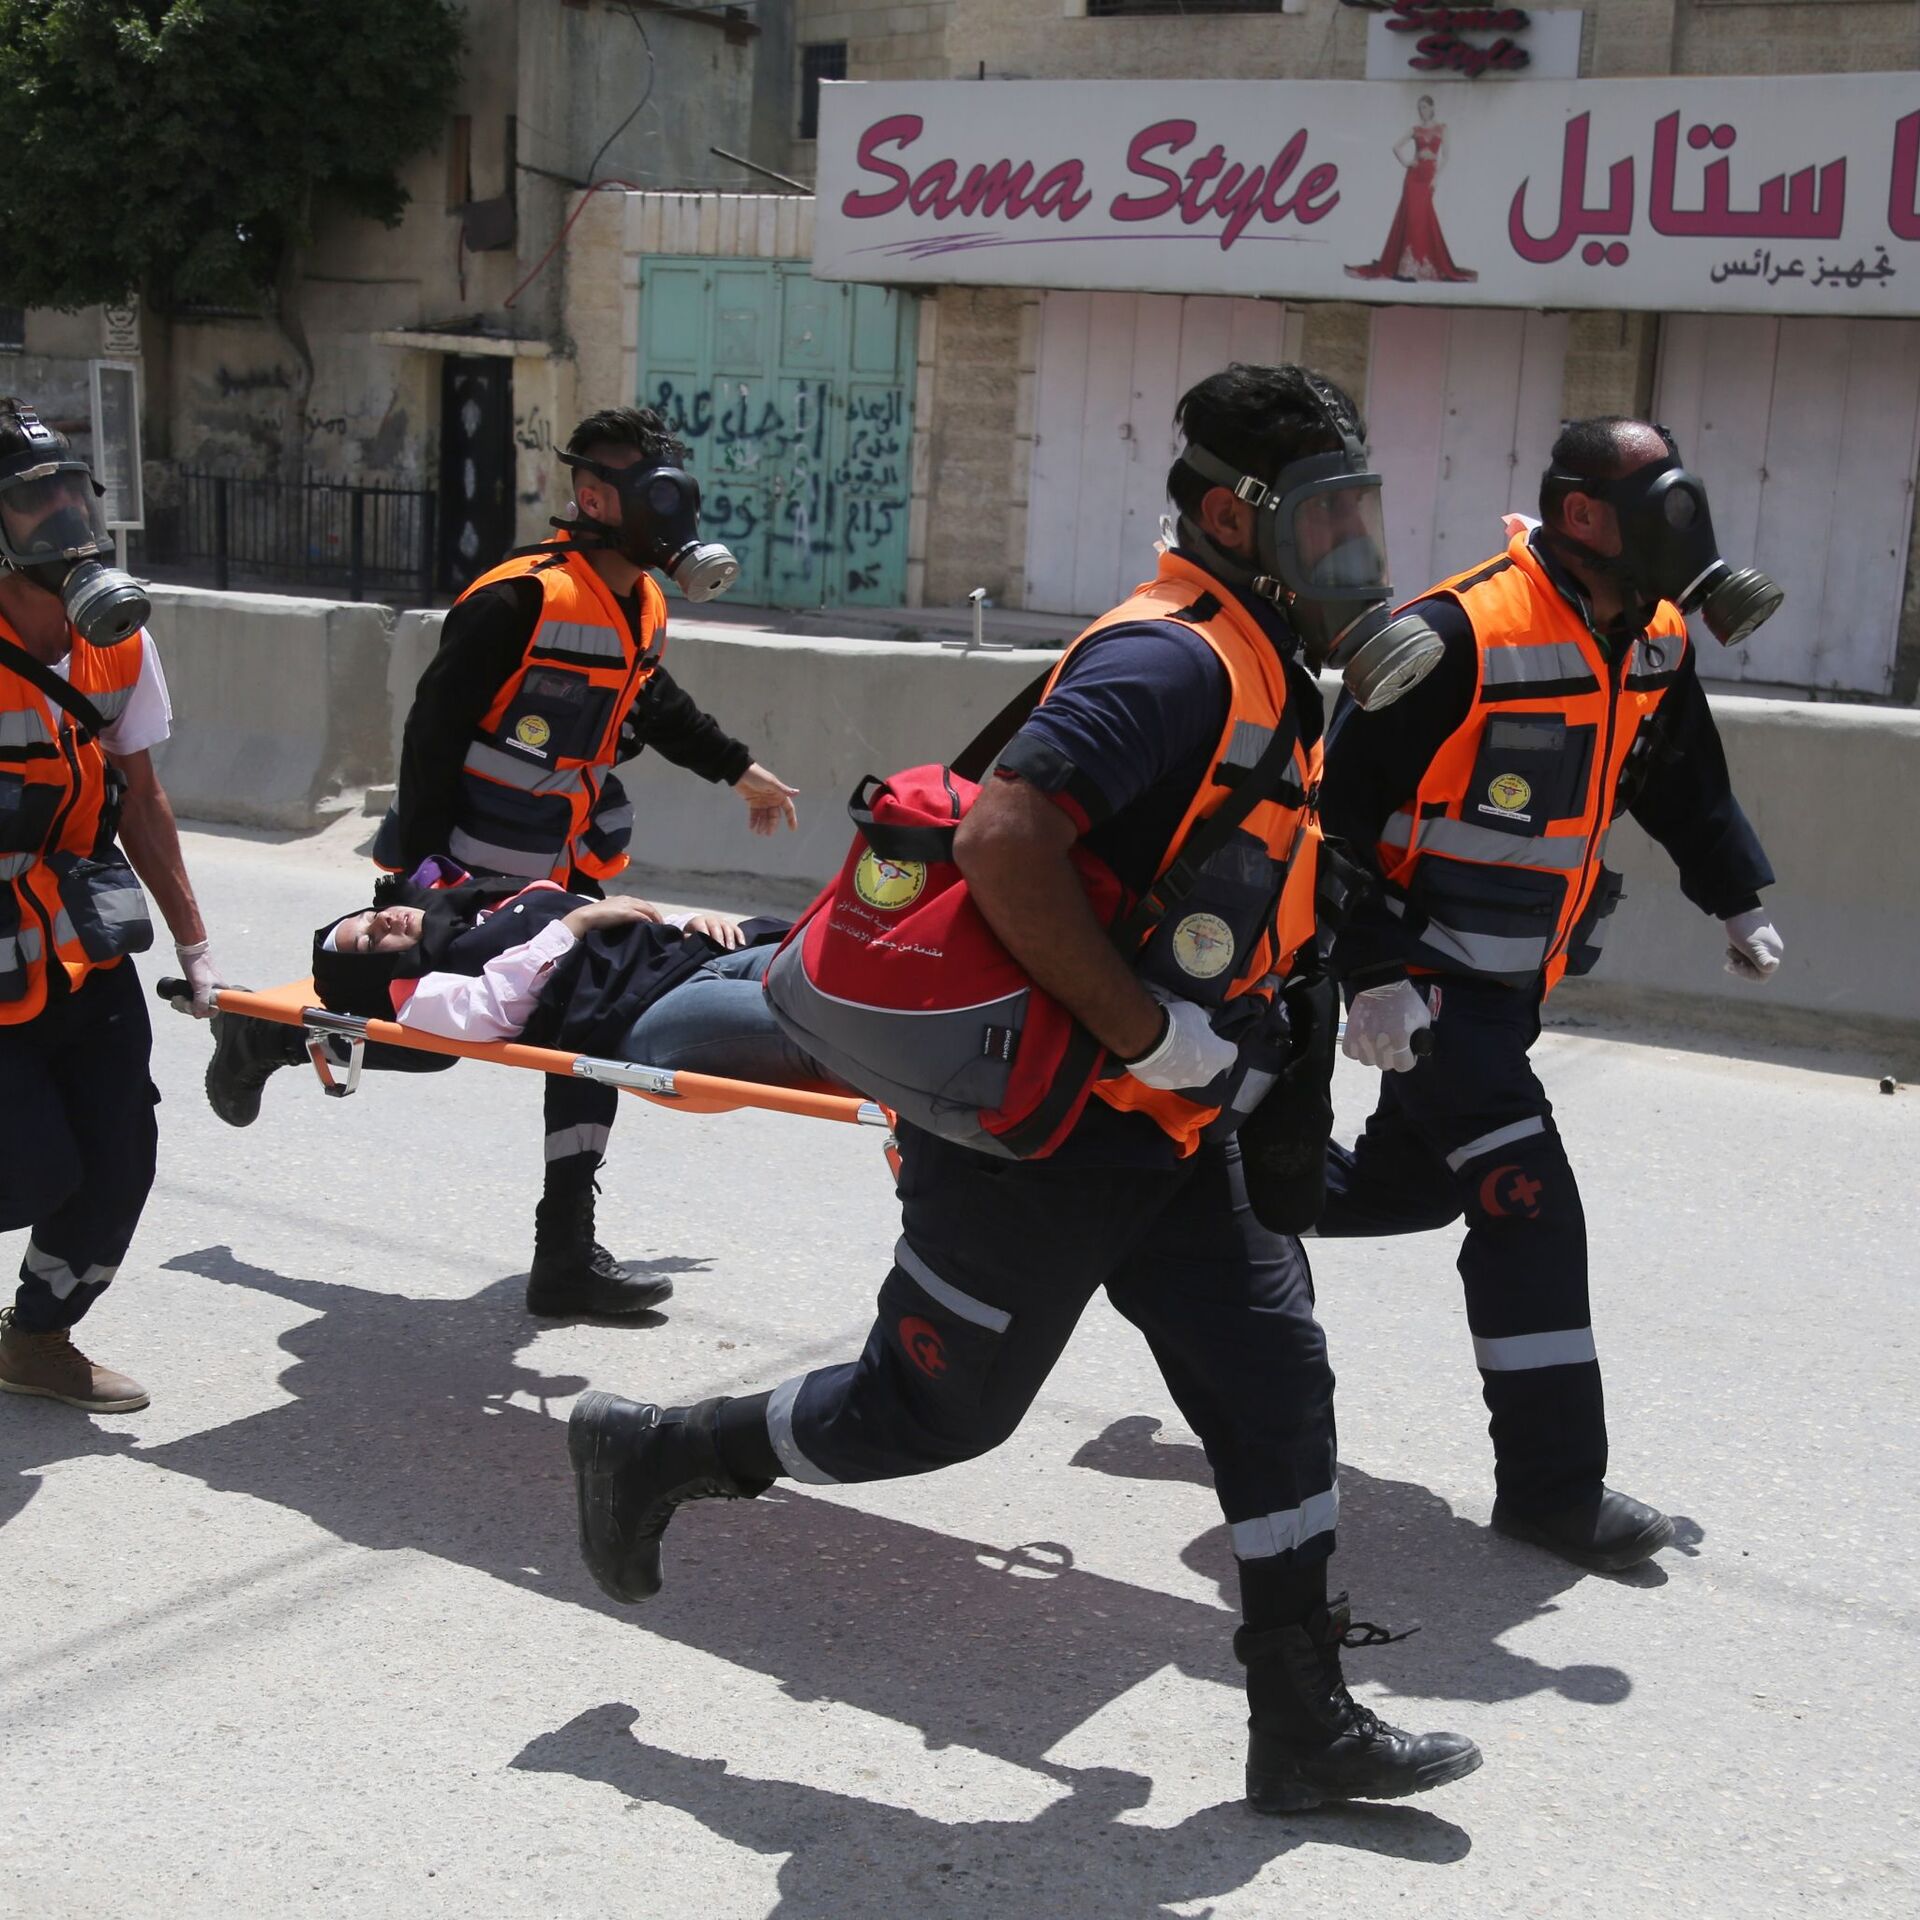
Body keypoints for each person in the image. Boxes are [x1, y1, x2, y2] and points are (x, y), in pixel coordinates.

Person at [566, 365, 1482, 1815]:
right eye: (1325, 520)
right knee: (929, 1418)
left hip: (1180, 1131)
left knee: (1275, 1385)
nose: (1353, 552)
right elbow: (1003, 841)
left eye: (1360, 514)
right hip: (1052, 1132)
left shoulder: (1262, 665)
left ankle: (1301, 1717)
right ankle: (664, 1449)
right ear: (1238, 519)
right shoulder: (1170, 661)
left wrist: (1333, 991)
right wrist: (1139, 1035)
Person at [206, 405, 801, 1319]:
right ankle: (275, 1035)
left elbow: (652, 699)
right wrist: (423, 884)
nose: (674, 519)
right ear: (596, 497)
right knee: (441, 1047)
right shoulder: (516, 599)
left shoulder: (641, 601)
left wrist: (739, 770)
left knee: (588, 1035)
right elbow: (430, 738)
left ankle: (563, 1254)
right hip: (470, 863)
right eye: (657, 497)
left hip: (562, 864)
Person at [1316, 416, 1784, 1573]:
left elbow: (1679, 778)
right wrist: (1372, 974)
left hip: (1513, 980)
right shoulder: (1454, 632)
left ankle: (1197, 1185)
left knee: (1403, 1193)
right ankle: (1552, 1490)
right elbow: (1332, 815)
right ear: (1583, 516)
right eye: (1659, 506)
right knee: (1530, 1207)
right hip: (1428, 984)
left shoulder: (1658, 636)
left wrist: (1735, 899)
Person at [0, 397, 228, 1412]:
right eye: (30, 503)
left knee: (118, 1156)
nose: (61, 519)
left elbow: (141, 794)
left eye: (69, 494)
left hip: (81, 947)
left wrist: (196, 941)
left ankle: (36, 1339)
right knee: (29, 1168)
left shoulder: (117, 643)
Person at [306, 882, 826, 1097]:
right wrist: (572, 926)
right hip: (646, 1014)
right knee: (813, 1024)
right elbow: (494, 1013)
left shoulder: (478, 906)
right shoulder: (415, 993)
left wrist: (689, 920)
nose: (384, 921)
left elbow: (622, 919)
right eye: (371, 941)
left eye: (370, 917)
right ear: (375, 971)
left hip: (687, 956)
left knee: (832, 965)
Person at [1344, 94, 1478, 286]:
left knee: (1423, 218)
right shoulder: (1415, 129)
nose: (1421, 111)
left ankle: (1422, 261)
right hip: (1413, 178)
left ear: (1432, 108)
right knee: (1410, 218)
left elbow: (1446, 156)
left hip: (1428, 176)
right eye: (1419, 108)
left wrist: (1436, 178)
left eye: (1424, 107)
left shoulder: (1442, 128)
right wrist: (1407, 162)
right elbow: (1396, 146)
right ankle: (1406, 267)